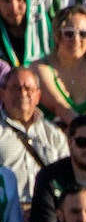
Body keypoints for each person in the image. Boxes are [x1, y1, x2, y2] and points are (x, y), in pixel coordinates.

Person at [0, 68, 69, 206]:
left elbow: (67, 176)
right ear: (2, 93)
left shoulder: (53, 133)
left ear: (38, 96)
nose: (22, 93)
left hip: (48, 210)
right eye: (16, 88)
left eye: (28, 89)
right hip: (7, 212)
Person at [35, 5, 86, 125]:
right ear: (57, 35)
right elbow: (60, 107)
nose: (76, 40)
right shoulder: (40, 67)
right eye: (69, 33)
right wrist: (81, 128)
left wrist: (83, 131)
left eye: (83, 34)